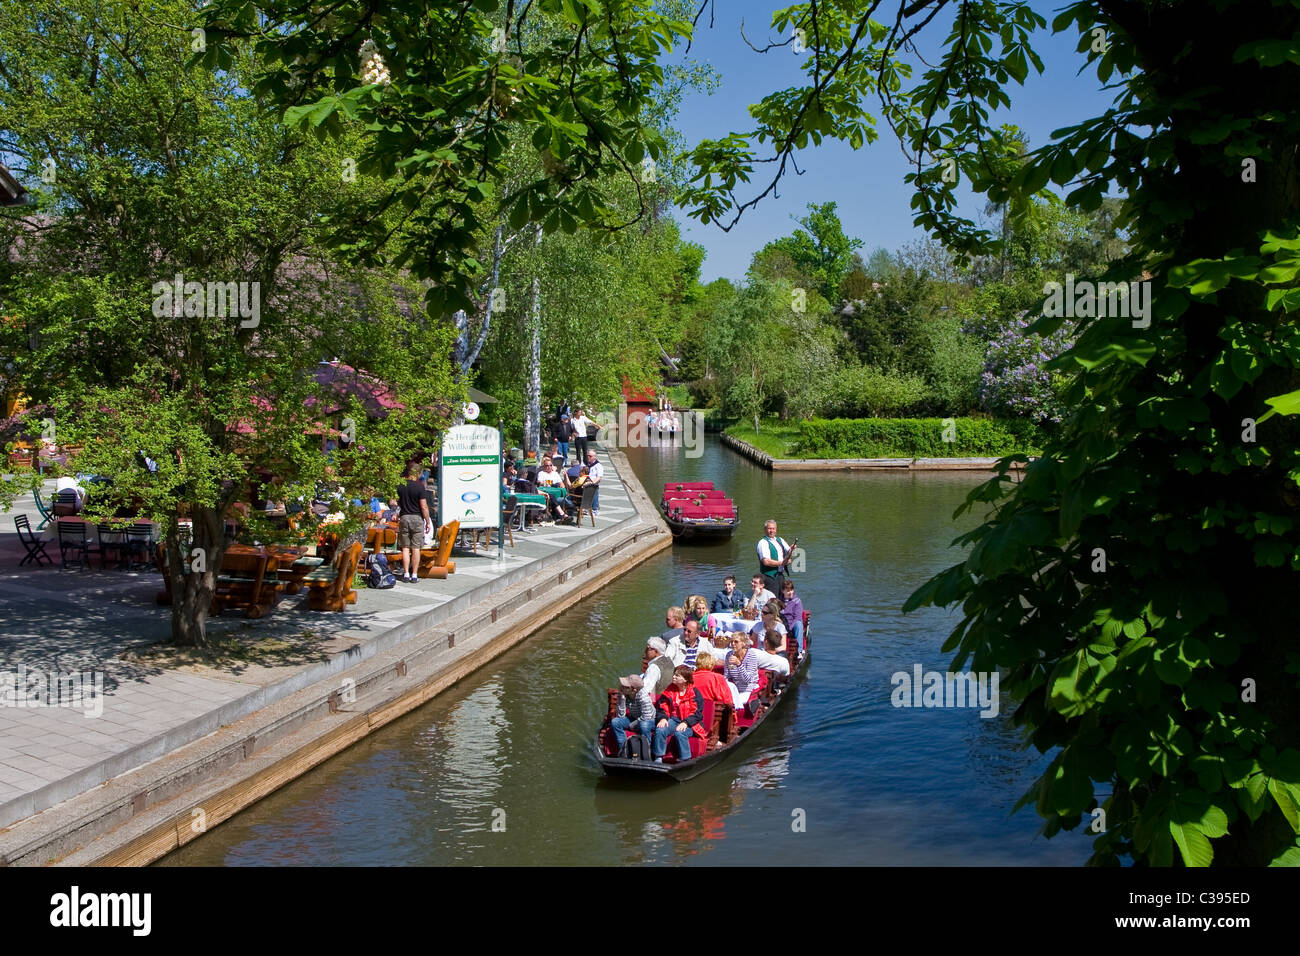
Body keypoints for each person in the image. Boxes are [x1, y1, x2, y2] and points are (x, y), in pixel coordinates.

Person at [653, 666, 707, 763]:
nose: (673, 677)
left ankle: (685, 759)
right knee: (661, 729)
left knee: (680, 733)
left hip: (691, 723)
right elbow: (661, 707)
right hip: (674, 720)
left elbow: (697, 714)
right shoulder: (669, 690)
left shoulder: (695, 693)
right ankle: (658, 757)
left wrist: (686, 722)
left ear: (685, 679)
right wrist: (663, 718)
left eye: (677, 676)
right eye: (674, 674)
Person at [396, 463, 432, 583]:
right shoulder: (420, 487)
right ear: (418, 473)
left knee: (405, 548)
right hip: (416, 518)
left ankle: (406, 573)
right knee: (416, 548)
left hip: (404, 517)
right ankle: (414, 574)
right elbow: (424, 506)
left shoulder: (400, 486)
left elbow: (396, 502)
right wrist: (427, 521)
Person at [610, 674, 655, 751]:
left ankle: (647, 750)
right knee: (615, 722)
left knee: (643, 725)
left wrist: (632, 724)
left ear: (634, 690)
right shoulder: (623, 694)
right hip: (633, 717)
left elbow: (647, 716)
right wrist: (622, 700)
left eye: (625, 686)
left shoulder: (644, 698)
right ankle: (623, 749)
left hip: (649, 720)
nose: (621, 687)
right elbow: (621, 716)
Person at [724, 632, 760, 709]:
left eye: (736, 642)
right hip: (735, 689)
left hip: (748, 689)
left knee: (733, 703)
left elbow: (748, 680)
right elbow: (726, 676)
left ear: (743, 643)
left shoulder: (751, 656)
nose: (733, 644)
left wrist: (739, 664)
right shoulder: (729, 655)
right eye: (731, 642)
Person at [756, 518, 794, 588]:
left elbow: (789, 551)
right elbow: (766, 561)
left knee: (782, 598)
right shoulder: (763, 542)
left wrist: (792, 549)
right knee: (773, 598)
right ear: (765, 530)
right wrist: (782, 563)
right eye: (769, 528)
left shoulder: (780, 540)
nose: (772, 531)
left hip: (780, 576)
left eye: (773, 528)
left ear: (776, 530)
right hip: (769, 577)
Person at [779, 578, 805, 651]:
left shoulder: (797, 601)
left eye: (791, 590)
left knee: (799, 624)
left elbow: (797, 617)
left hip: (792, 625)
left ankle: (799, 650)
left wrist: (789, 628)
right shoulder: (778, 601)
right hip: (781, 624)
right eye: (788, 591)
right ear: (783, 591)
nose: (790, 592)